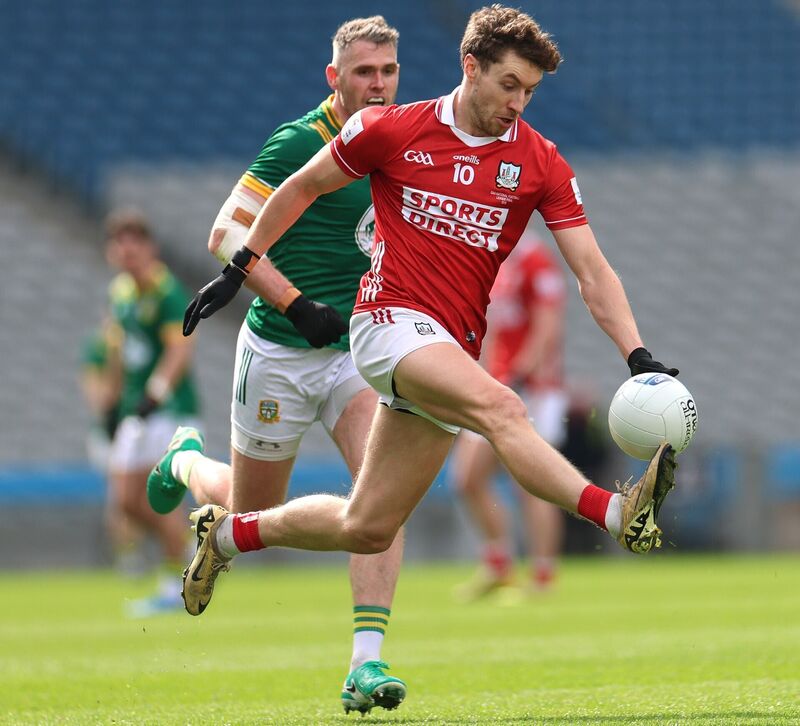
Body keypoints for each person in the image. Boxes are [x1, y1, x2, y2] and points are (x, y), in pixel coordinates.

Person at [180, 3, 680, 675]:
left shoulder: (539, 161)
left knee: (369, 525)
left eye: (530, 91)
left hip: (451, 344)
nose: (518, 103)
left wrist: (637, 355)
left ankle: (231, 533)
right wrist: (241, 269)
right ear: (469, 67)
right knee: (502, 408)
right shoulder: (393, 130)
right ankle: (618, 516)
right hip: (386, 325)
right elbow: (298, 189)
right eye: (508, 84)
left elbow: (591, 268)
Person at [145, 17, 407, 715]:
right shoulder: (300, 141)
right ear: (335, 79)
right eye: (363, 73)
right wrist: (295, 305)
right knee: (251, 511)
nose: (377, 85)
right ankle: (182, 460)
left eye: (387, 71)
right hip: (280, 351)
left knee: (379, 500)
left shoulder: (403, 139)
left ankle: (366, 663)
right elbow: (225, 231)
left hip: (354, 353)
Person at [450, 232, 569, 600]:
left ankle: (543, 576)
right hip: (498, 384)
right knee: (468, 478)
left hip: (530, 388)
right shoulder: (494, 256)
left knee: (530, 483)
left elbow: (548, 324)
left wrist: (522, 372)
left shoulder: (535, 258)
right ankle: (499, 564)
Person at [103, 208, 201, 617]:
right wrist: (112, 402)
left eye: (135, 242)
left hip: (167, 410)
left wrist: (155, 393)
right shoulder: (122, 293)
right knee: (126, 500)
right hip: (135, 411)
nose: (127, 251)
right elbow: (117, 352)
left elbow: (180, 349)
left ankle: (173, 578)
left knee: (155, 498)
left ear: (149, 248)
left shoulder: (167, 291)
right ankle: (190, 545)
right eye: (120, 243)